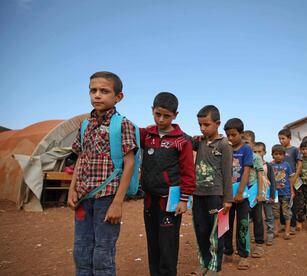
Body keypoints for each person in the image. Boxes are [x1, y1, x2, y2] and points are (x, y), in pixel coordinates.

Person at [68, 71, 137, 275]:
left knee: (102, 253)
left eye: (104, 91)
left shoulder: (122, 124)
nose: (97, 95)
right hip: (83, 198)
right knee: (81, 250)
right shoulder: (84, 126)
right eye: (93, 90)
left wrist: (117, 203)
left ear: (118, 97)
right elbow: (80, 158)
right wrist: (72, 189)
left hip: (107, 199)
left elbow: (129, 162)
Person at [140, 92, 196, 276]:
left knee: (168, 245)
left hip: (170, 203)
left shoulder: (182, 141)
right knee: (153, 243)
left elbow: (188, 172)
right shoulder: (146, 135)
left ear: (175, 115)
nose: (161, 119)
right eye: (158, 114)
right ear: (152, 111)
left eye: (167, 116)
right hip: (149, 201)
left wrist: (183, 200)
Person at [191, 105, 233, 276]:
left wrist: (228, 199)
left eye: (206, 124)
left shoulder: (224, 145)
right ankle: (204, 263)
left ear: (217, 124)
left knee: (216, 232)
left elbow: (227, 173)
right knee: (200, 230)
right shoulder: (199, 141)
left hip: (217, 196)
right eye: (200, 124)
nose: (202, 128)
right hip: (198, 194)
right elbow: (182, 139)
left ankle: (215, 266)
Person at [223, 118, 252, 270]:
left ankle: (243, 255)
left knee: (242, 225)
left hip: (242, 196)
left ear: (241, 133)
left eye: (233, 135)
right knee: (226, 225)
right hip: (227, 195)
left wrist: (240, 192)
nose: (230, 138)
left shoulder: (246, 149)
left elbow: (246, 170)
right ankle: (227, 251)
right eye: (228, 135)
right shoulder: (225, 148)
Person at [242, 130, 265, 257]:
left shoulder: (256, 157)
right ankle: (244, 245)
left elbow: (260, 175)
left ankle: (259, 244)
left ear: (253, 143)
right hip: (243, 191)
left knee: (257, 218)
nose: (244, 145)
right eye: (242, 142)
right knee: (243, 219)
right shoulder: (239, 156)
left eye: (247, 142)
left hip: (254, 190)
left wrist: (260, 193)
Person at [278, 129, 301, 234]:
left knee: (292, 203)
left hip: (292, 180)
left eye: (283, 138)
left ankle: (292, 224)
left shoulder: (294, 150)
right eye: (279, 138)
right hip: (281, 181)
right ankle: (283, 224)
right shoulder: (279, 150)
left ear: (289, 138)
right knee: (281, 202)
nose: (281, 141)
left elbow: (299, 164)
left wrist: (295, 177)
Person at [253, 142, 276, 246]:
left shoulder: (268, 166)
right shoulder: (251, 165)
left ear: (264, 152)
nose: (257, 153)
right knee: (255, 216)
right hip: (255, 195)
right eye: (255, 151)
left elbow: (272, 181)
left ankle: (270, 235)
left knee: (269, 215)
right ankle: (255, 236)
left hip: (266, 195)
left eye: (259, 151)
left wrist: (272, 196)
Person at [270, 144, 295, 239]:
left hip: (286, 193)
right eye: (276, 154)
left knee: (286, 213)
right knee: (275, 212)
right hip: (275, 194)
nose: (278, 156)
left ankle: (287, 231)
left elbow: (290, 178)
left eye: (280, 154)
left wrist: (292, 191)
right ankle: (276, 229)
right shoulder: (270, 165)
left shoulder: (287, 165)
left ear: (284, 155)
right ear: (272, 155)